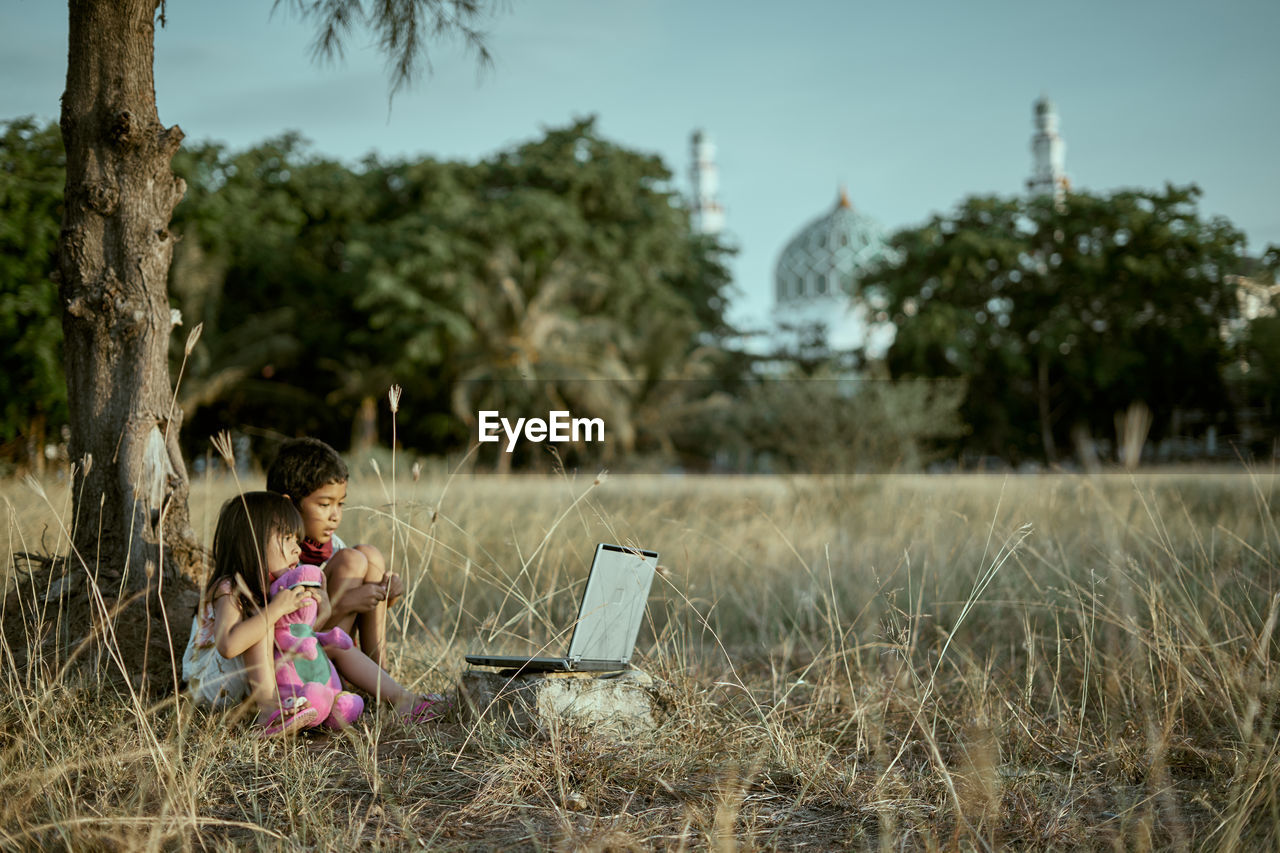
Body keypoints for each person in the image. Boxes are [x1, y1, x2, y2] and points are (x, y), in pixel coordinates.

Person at [181, 491, 445, 736]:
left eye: (297, 540)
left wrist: (325, 608)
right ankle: (268, 712)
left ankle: (403, 699)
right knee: (261, 625)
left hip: (260, 676)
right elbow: (229, 645)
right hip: (216, 685)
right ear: (252, 542)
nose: (297, 548)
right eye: (286, 539)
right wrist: (274, 611)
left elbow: (299, 636)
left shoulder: (275, 588)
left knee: (334, 642)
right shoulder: (228, 587)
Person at [265, 437, 401, 668]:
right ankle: (342, 681)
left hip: (336, 647)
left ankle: (380, 677)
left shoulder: (333, 546)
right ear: (288, 505)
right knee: (352, 560)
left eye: (340, 504)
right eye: (325, 504)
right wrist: (345, 603)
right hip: (294, 663)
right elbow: (284, 629)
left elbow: (365, 607)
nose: (335, 515)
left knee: (370, 556)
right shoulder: (275, 554)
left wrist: (387, 594)